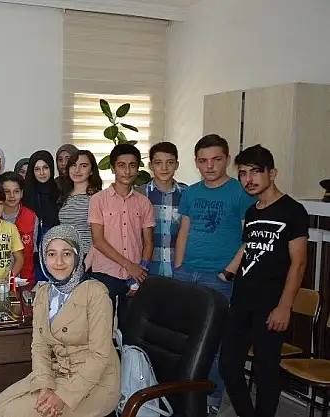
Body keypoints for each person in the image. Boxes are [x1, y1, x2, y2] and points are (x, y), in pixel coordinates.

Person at [0, 224, 120, 417]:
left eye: (66, 254)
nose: (58, 262)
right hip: (58, 373)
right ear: (43, 257)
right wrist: (44, 385)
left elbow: (99, 356)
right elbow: (39, 346)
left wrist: (62, 396)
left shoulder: (96, 293)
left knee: (7, 414)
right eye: (51, 254)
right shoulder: (43, 293)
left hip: (94, 385)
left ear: (77, 256)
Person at [219, 145, 309, 417]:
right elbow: (249, 247)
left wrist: (284, 306)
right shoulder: (252, 212)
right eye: (243, 173)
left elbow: (299, 263)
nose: (249, 179)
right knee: (228, 366)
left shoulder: (293, 211)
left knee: (265, 370)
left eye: (256, 171)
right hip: (242, 300)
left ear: (273, 173)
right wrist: (229, 272)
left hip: (271, 304)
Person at [174, 134, 256, 411]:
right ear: (196, 162)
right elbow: (184, 231)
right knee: (186, 337)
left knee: (217, 343)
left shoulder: (240, 193)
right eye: (203, 160)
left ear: (227, 160)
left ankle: (212, 398)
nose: (209, 166)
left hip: (219, 278)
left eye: (216, 159)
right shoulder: (191, 192)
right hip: (187, 273)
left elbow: (250, 237)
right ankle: (184, 393)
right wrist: (178, 267)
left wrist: (228, 272)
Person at [89, 144, 154, 322]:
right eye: (121, 165)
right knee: (101, 326)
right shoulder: (98, 200)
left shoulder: (144, 203)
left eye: (132, 165)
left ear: (138, 169)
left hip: (134, 277)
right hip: (105, 274)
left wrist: (139, 272)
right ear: (113, 168)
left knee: (131, 326)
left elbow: (148, 242)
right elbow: (98, 241)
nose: (127, 171)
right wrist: (128, 265)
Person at [135, 142, 187, 278]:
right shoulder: (139, 194)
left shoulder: (187, 194)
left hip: (179, 271)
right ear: (151, 166)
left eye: (170, 162)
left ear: (177, 165)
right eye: (158, 163)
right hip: (145, 271)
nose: (164, 168)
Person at [22, 150, 61, 281]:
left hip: (56, 250)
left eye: (45, 168)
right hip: (33, 253)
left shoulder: (59, 192)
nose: (42, 173)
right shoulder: (26, 194)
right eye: (37, 169)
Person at [58, 150, 102, 258]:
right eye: (73, 165)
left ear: (91, 171)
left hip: (87, 257)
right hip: (66, 257)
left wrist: (86, 263)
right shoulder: (64, 196)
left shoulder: (96, 197)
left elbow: (99, 238)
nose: (77, 170)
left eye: (83, 166)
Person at [0, 172, 38, 282]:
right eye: (7, 192)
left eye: (16, 191)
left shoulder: (32, 217)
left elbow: (33, 248)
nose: (12, 196)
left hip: (25, 279)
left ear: (22, 193)